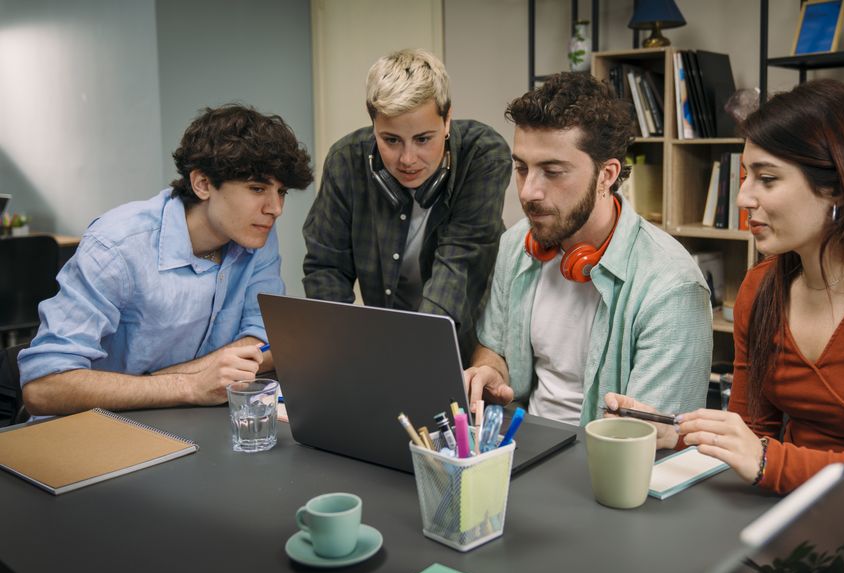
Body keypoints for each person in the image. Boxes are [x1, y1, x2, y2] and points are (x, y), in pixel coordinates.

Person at [607, 79, 844, 520]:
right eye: (744, 177)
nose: (743, 198)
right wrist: (674, 433)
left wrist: (774, 462)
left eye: (767, 179)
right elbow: (752, 437)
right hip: (796, 519)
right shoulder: (760, 290)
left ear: (837, 185)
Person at [19, 104, 313, 416]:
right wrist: (189, 384)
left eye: (281, 192)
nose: (275, 209)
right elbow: (43, 385)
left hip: (184, 421)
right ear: (202, 184)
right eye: (257, 188)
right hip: (94, 428)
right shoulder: (117, 245)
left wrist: (194, 376)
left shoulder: (255, 235)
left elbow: (265, 339)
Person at [465, 72, 713, 427]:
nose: (527, 192)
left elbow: (650, 440)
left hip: (605, 467)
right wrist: (489, 371)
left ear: (607, 175)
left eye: (552, 171)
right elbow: (494, 348)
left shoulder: (672, 286)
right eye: (521, 168)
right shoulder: (516, 245)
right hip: (521, 444)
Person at [302, 49, 510, 362]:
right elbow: (326, 267)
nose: (408, 159)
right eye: (391, 140)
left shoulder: (482, 155)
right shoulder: (345, 160)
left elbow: (459, 263)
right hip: (388, 347)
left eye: (424, 139)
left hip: (470, 347)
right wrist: (343, 349)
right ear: (373, 125)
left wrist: (410, 355)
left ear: (447, 119)